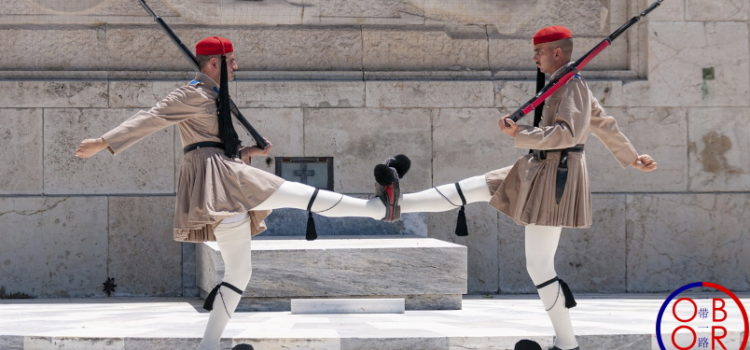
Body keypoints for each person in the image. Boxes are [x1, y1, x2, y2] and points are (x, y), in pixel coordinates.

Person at [74, 36, 405, 350]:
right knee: (298, 194)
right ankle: (378, 208)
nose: (236, 67)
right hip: (219, 176)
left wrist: (248, 152)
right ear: (213, 64)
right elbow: (152, 118)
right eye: (230, 61)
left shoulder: (213, 96)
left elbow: (212, 141)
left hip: (220, 177)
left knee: (239, 273)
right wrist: (103, 142)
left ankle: (208, 345)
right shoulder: (191, 93)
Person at [374, 25, 657, 350]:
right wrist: (632, 157)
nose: (534, 57)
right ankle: (398, 203)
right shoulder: (563, 83)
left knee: (539, 265)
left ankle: (568, 345)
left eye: (539, 51)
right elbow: (604, 123)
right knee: (474, 187)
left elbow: (567, 134)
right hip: (537, 168)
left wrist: (520, 133)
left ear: (557, 53)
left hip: (555, 179)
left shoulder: (572, 86)